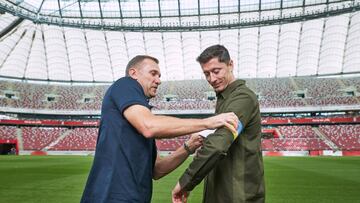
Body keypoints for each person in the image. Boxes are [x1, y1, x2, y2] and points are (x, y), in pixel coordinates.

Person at [80, 55, 239, 203]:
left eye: (159, 76)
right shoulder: (125, 84)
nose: (158, 80)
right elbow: (149, 126)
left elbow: (157, 170)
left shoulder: (141, 115)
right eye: (153, 73)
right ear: (133, 73)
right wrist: (208, 122)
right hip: (109, 196)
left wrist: (190, 146)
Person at [172, 45, 265, 203]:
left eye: (216, 71)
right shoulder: (225, 98)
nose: (212, 79)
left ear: (230, 65)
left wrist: (185, 182)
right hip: (224, 192)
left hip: (238, 195)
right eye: (206, 73)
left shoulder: (242, 98)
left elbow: (218, 145)